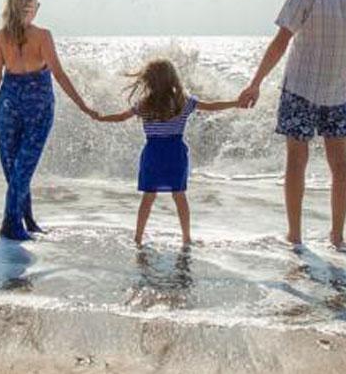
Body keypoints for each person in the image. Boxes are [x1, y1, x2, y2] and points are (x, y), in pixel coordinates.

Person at [236, 0, 346, 249]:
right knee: (339, 164)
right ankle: (337, 236)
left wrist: (255, 82)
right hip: (339, 92)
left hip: (300, 89)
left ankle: (295, 236)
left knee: (296, 162)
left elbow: (281, 42)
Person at [0, 0, 96, 241]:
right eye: (36, 3)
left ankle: (26, 220)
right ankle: (12, 224)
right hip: (37, 104)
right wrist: (83, 105)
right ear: (32, 7)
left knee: (17, 168)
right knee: (20, 169)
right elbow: (58, 73)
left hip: (10, 102)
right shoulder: (42, 36)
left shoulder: (1, 36)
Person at [92, 59, 240, 247]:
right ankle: (186, 238)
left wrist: (99, 117)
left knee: (148, 197)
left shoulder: (144, 104)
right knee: (179, 196)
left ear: (149, 80)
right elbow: (212, 106)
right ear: (173, 79)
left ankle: (138, 237)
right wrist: (236, 102)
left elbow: (121, 117)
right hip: (175, 153)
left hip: (153, 153)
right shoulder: (183, 102)